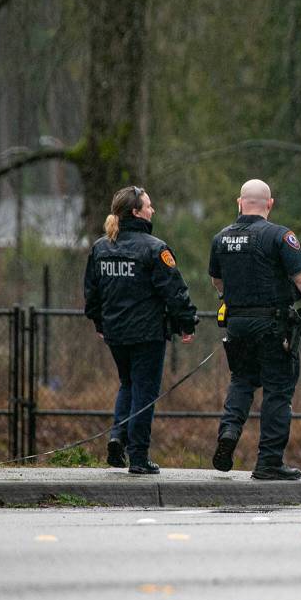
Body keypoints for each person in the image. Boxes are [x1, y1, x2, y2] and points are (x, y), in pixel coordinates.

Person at [209, 179, 301, 480]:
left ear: (239, 202)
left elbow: (217, 281)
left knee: (241, 380)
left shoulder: (220, 239)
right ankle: (268, 462)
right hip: (273, 326)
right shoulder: (280, 236)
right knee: (278, 391)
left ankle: (229, 431)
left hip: (237, 324)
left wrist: (231, 299)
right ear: (269, 204)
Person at [84, 186, 198, 474]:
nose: (152, 210)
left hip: (115, 332)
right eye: (148, 205)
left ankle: (117, 438)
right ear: (136, 212)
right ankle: (138, 456)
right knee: (144, 391)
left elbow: (92, 293)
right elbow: (174, 292)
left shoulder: (101, 247)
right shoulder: (154, 248)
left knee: (127, 384)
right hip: (147, 334)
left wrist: (100, 323)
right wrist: (186, 323)